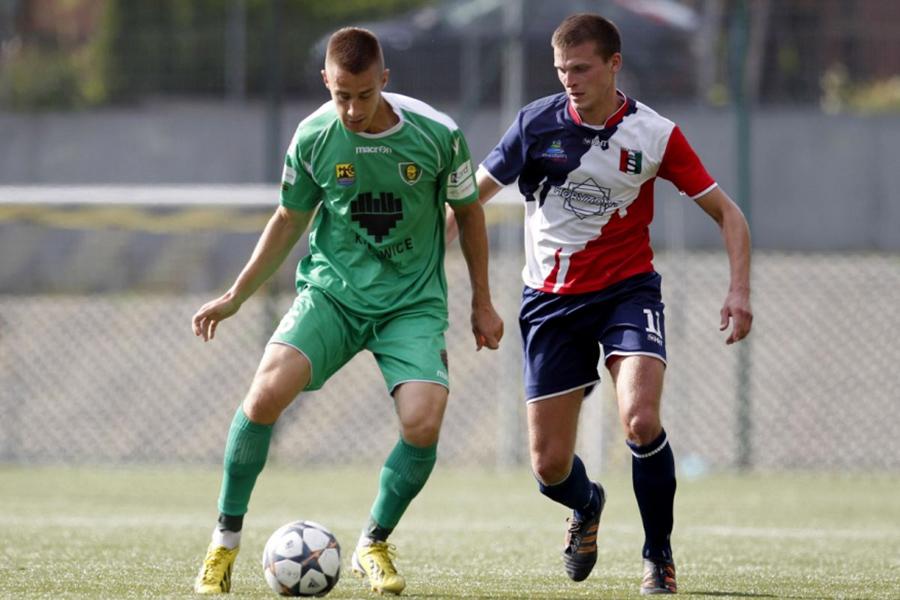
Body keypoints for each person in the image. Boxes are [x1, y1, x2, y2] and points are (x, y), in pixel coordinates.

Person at [191, 26, 503, 596]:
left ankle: (373, 543)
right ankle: (223, 544)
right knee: (262, 398)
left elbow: (470, 212)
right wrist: (237, 294)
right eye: (341, 95)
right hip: (332, 295)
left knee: (423, 421)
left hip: (411, 303)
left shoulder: (437, 135)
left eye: (363, 94)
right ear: (325, 83)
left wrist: (483, 301)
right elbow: (288, 220)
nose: (353, 109)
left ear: (384, 80)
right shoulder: (312, 137)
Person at [449, 13, 752, 596]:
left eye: (581, 68)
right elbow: (469, 201)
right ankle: (587, 505)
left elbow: (729, 215)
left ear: (614, 64)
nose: (570, 80)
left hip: (626, 292)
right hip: (549, 304)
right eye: (562, 70)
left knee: (639, 420)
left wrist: (738, 291)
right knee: (549, 468)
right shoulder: (534, 125)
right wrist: (464, 290)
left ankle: (657, 555)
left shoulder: (654, 134)